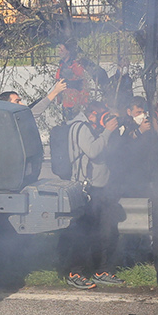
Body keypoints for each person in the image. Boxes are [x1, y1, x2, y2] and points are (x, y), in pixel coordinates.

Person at [62, 103, 125, 289]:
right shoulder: (80, 127)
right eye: (103, 115)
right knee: (83, 233)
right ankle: (75, 273)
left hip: (101, 189)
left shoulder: (94, 128)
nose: (106, 119)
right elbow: (93, 151)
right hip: (86, 190)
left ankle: (101, 271)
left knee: (103, 232)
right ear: (93, 114)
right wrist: (107, 131)